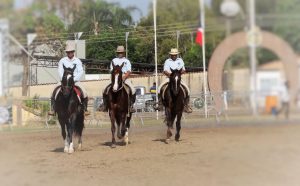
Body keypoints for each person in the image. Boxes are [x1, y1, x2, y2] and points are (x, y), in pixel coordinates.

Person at [48, 43, 90, 116]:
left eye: (71, 52)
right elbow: (60, 71)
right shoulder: (62, 60)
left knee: (84, 92)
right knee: (53, 91)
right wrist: (64, 80)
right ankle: (53, 109)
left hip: (75, 81)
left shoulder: (78, 61)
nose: (69, 53)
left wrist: (73, 79)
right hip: (64, 82)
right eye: (68, 52)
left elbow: (80, 71)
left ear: (73, 52)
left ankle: (85, 109)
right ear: (66, 52)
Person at [99, 45, 136, 113]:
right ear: (117, 53)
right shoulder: (114, 60)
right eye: (119, 53)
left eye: (121, 52)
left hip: (124, 77)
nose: (120, 54)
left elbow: (129, 71)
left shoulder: (126, 61)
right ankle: (104, 105)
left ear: (124, 53)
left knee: (133, 89)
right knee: (104, 88)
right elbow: (112, 71)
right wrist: (115, 78)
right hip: (115, 78)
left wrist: (124, 77)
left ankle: (131, 105)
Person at [155, 48, 193, 113]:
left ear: (177, 55)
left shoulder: (180, 60)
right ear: (171, 55)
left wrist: (178, 75)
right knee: (159, 88)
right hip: (169, 78)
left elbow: (184, 70)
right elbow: (165, 71)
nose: (174, 56)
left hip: (178, 78)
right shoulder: (167, 61)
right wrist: (172, 75)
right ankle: (160, 104)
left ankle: (187, 105)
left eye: (175, 54)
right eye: (173, 55)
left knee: (187, 89)